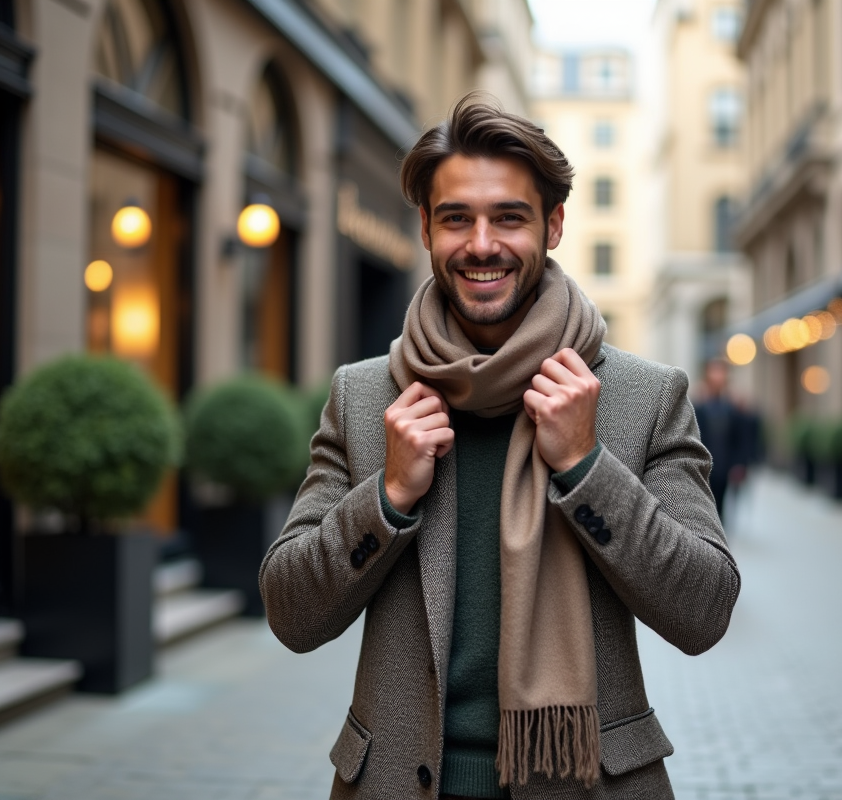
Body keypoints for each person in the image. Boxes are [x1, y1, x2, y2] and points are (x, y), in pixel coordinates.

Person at [260, 94, 740, 800]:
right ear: (425, 227)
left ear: (553, 225)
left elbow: (704, 611)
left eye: (508, 217)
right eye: (456, 218)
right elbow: (292, 615)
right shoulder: (365, 399)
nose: (481, 244)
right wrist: (387, 498)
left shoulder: (643, 396)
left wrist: (586, 468)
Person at [692, 359, 747, 518]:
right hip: (703, 468)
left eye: (721, 372)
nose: (718, 377)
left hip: (724, 467)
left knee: (720, 509)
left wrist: (739, 464)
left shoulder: (731, 409)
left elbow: (739, 439)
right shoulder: (699, 408)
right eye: (714, 372)